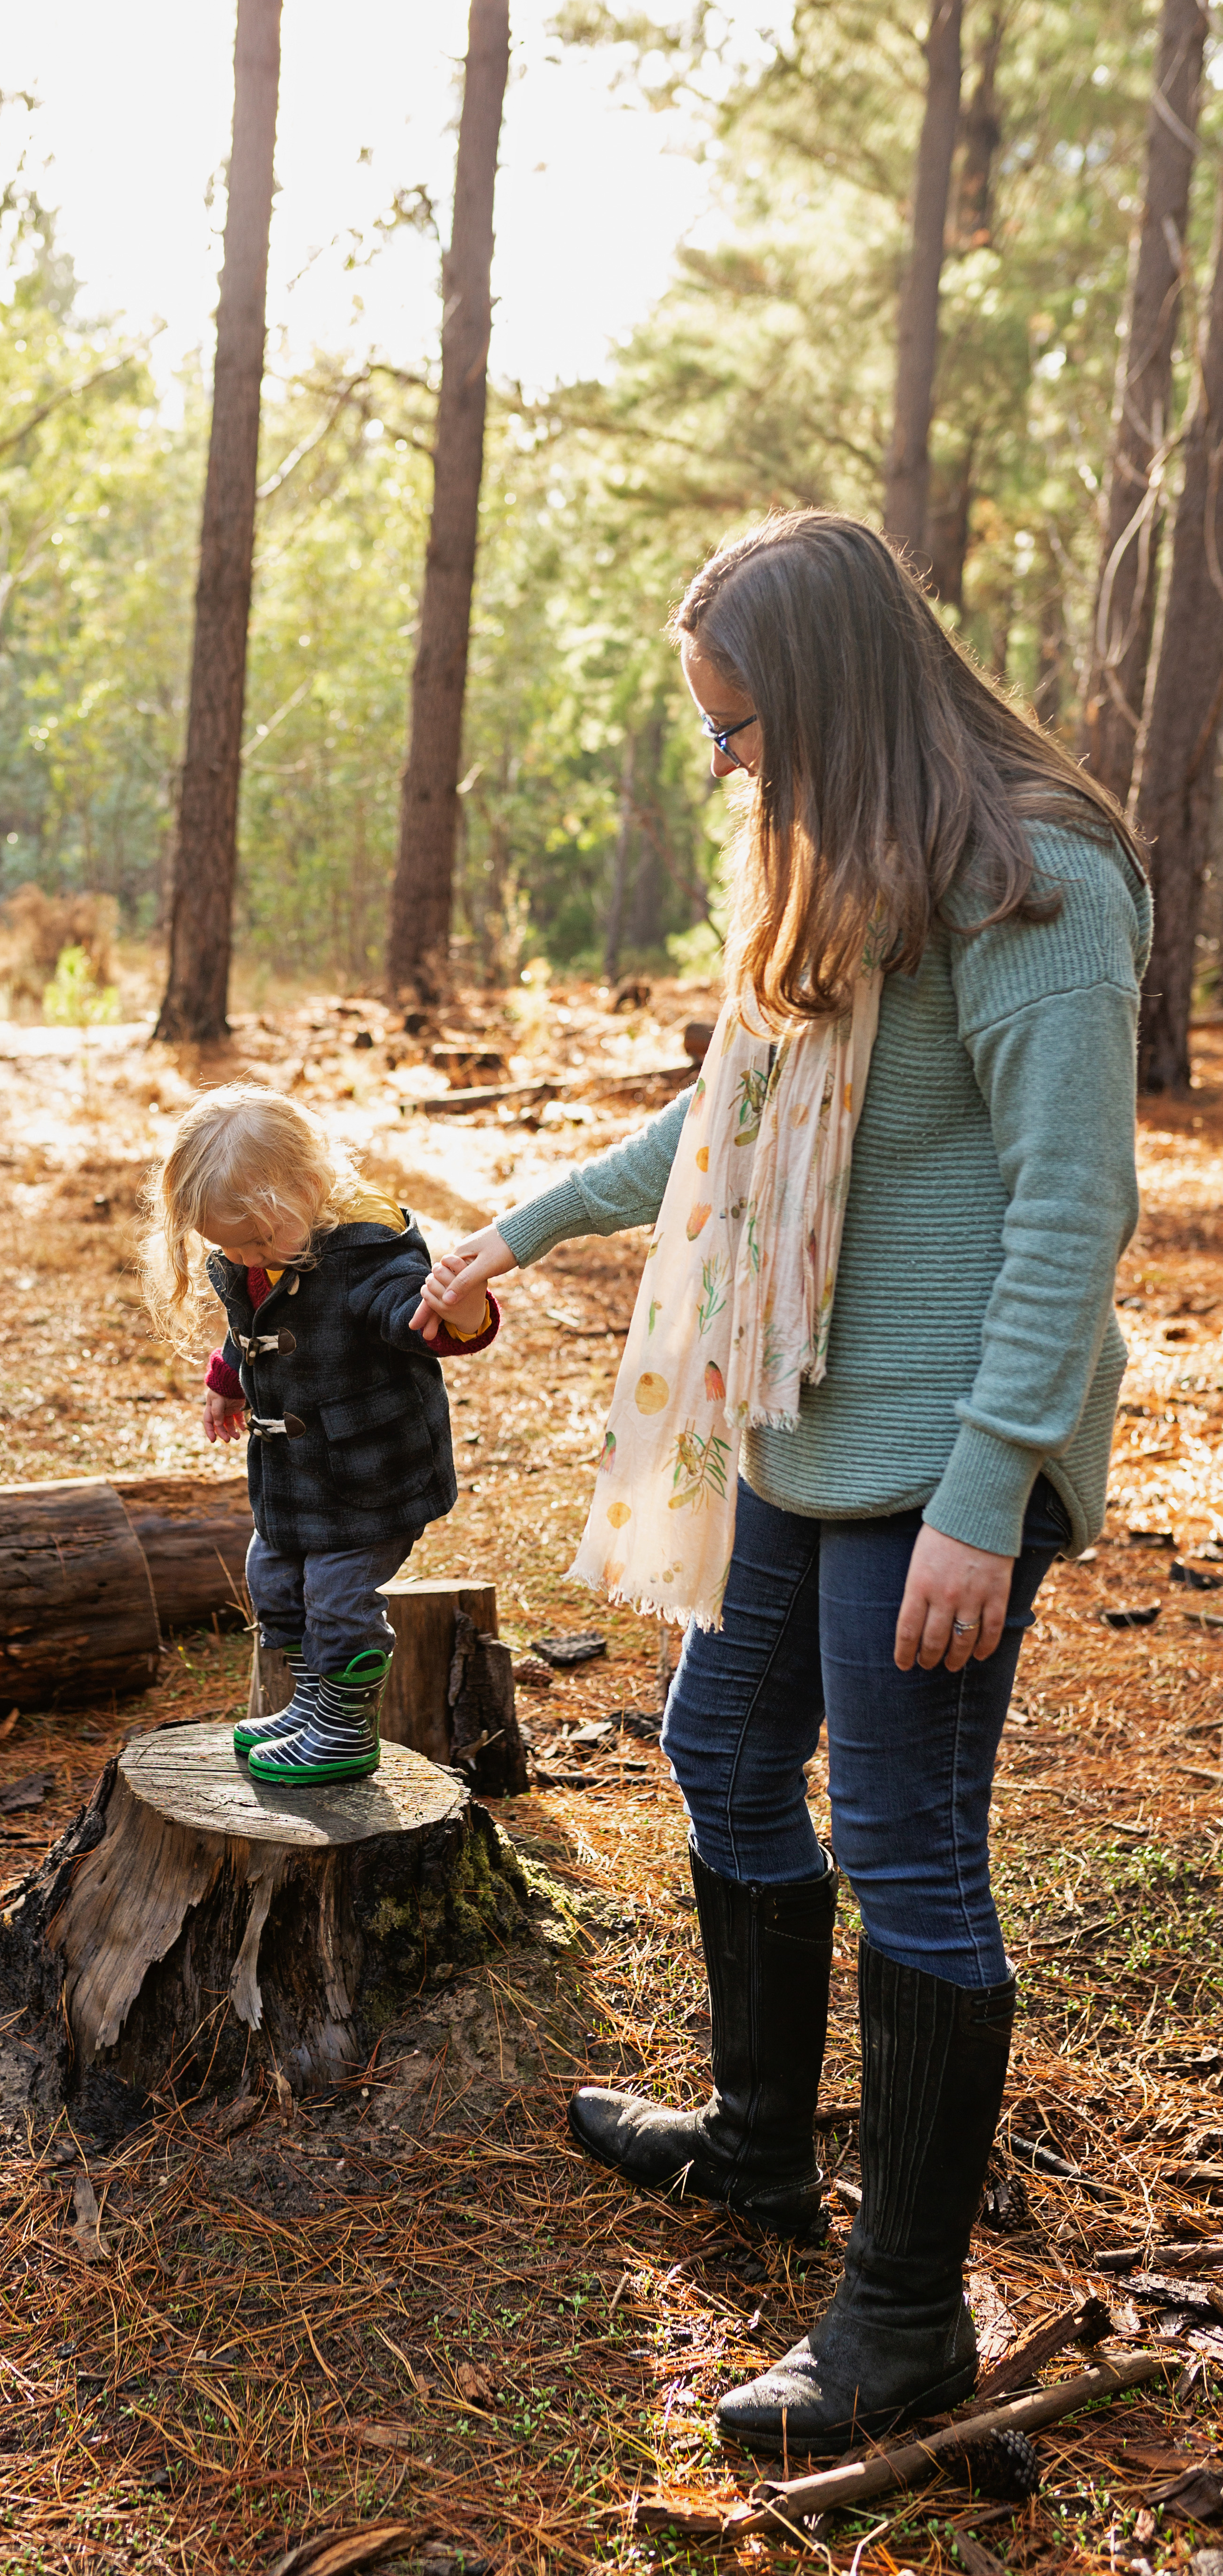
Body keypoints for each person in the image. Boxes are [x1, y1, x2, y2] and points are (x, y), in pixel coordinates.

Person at [416, 509, 1149, 2453]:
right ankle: (755, 2149)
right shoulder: (842, 879)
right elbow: (730, 1110)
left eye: (743, 731)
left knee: (910, 1844)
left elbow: (1075, 1213)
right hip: (804, 1428)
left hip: (945, 1458)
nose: (731, 767)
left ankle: (902, 2325)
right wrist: (525, 1226)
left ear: (827, 695)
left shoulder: (1034, 880)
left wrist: (992, 1494)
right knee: (721, 1747)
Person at [144, 1083, 497, 1785]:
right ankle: (314, 1706)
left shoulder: (370, 1253)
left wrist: (458, 1306)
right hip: (298, 1473)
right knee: (271, 1578)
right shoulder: (263, 1247)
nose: (244, 1258)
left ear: (305, 1187)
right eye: (228, 1246)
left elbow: (415, 1316)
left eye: (252, 1241)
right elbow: (255, 1323)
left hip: (371, 1472)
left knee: (337, 1599)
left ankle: (344, 1730)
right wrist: (227, 1380)